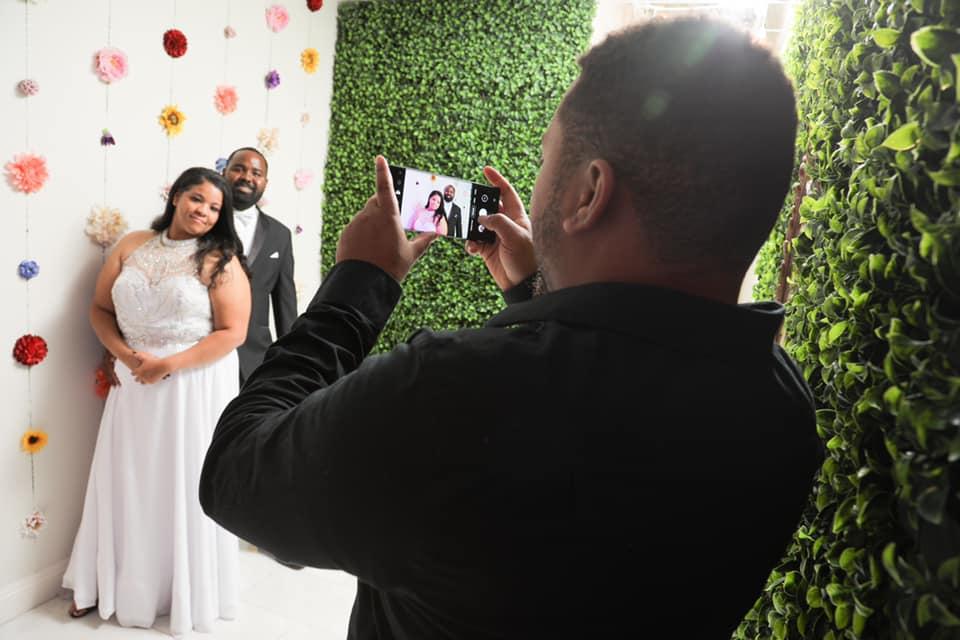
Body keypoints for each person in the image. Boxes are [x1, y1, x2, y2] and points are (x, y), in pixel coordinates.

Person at [200, 18, 822, 638]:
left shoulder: (455, 393)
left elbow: (236, 474)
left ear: (589, 193)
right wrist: (537, 291)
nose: (539, 182)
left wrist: (357, 285)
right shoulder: (783, 405)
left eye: (547, 159)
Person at [64, 167, 250, 635]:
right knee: (126, 478)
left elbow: (233, 333)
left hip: (189, 385)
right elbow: (100, 309)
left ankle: (179, 592)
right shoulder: (132, 244)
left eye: (215, 208)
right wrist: (126, 355)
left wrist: (169, 364)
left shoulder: (220, 259)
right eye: (197, 199)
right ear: (176, 196)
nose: (204, 212)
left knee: (179, 481)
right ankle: (106, 582)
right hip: (132, 381)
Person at [222, 147, 297, 385]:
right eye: (238, 169)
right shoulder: (203, 222)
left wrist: (291, 364)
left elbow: (285, 303)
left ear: (265, 182)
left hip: (256, 358)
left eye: (256, 173)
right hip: (204, 353)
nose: (247, 177)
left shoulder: (280, 235)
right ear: (224, 172)